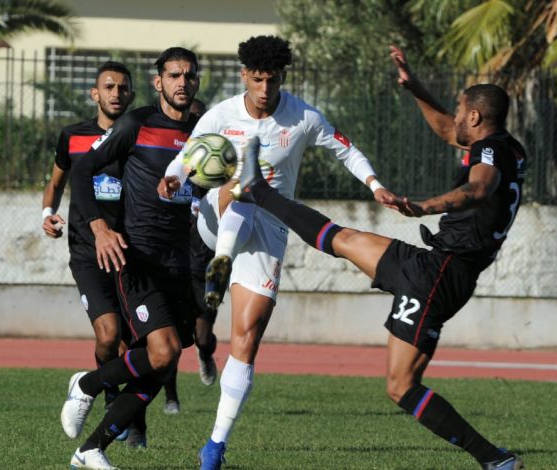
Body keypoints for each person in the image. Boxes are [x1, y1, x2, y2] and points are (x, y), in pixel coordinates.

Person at [228, 48, 527, 470]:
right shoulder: (506, 146)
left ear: (475, 117)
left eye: (461, 109)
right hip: (435, 265)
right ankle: (258, 189)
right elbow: (447, 129)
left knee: (401, 387)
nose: (456, 116)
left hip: (439, 275)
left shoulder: (491, 153)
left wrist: (425, 207)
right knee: (343, 239)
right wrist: (415, 87)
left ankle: (495, 459)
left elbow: (479, 188)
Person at [159, 35, 389, 469]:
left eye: (274, 80)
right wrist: (175, 178)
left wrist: (375, 186)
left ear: (283, 77)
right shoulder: (220, 115)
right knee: (242, 184)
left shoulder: (303, 117)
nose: (266, 89)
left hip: (269, 229)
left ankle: (214, 446)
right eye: (258, 79)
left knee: (246, 339)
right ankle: (221, 261)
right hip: (216, 216)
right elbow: (187, 159)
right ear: (245, 75)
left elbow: (346, 150)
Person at [60, 47, 201, 470]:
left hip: (183, 261)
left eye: (189, 75)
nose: (182, 82)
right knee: (163, 351)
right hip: (138, 257)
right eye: (173, 75)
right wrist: (100, 228)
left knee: (164, 361)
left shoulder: (206, 131)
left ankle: (90, 449)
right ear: (159, 82)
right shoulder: (137, 124)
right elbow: (82, 170)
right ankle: (88, 383)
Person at [41, 61, 134, 407]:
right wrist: (47, 214)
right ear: (95, 93)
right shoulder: (73, 136)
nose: (116, 93)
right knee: (108, 335)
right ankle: (109, 394)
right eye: (109, 87)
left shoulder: (139, 136)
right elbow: (55, 183)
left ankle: (129, 412)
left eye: (122, 88)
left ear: (131, 95)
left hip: (131, 249)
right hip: (86, 250)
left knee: (131, 342)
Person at [161, 98, 220, 417]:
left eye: (199, 122)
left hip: (206, 266)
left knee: (202, 336)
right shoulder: (171, 165)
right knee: (168, 333)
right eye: (189, 122)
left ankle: (206, 353)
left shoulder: (218, 166)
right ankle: (171, 396)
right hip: (172, 263)